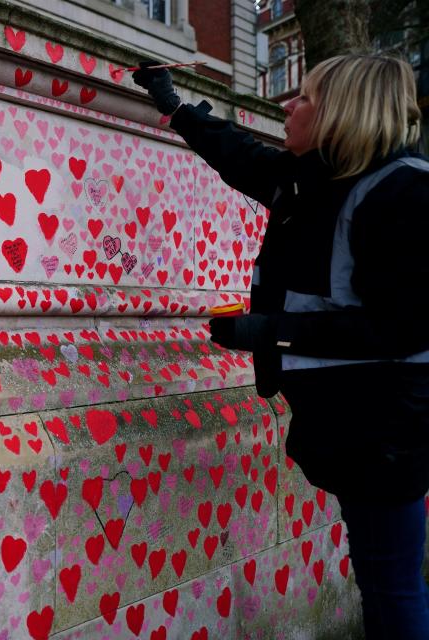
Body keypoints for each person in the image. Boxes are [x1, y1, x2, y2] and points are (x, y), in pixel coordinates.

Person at [133, 54, 429, 638]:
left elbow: (406, 328)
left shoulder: (405, 194)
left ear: (345, 112)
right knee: (382, 575)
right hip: (355, 419)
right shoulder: (318, 179)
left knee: (391, 583)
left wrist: (265, 331)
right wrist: (176, 107)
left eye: (306, 98)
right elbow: (244, 159)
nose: (287, 106)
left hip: (388, 426)